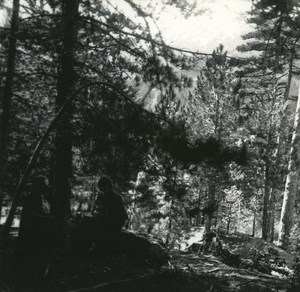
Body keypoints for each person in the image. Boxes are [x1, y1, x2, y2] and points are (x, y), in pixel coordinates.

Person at [18, 176, 55, 249]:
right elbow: (33, 218)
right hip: (32, 238)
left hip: (40, 235)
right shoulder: (31, 199)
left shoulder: (44, 199)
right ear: (37, 186)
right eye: (44, 185)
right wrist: (52, 219)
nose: (46, 188)